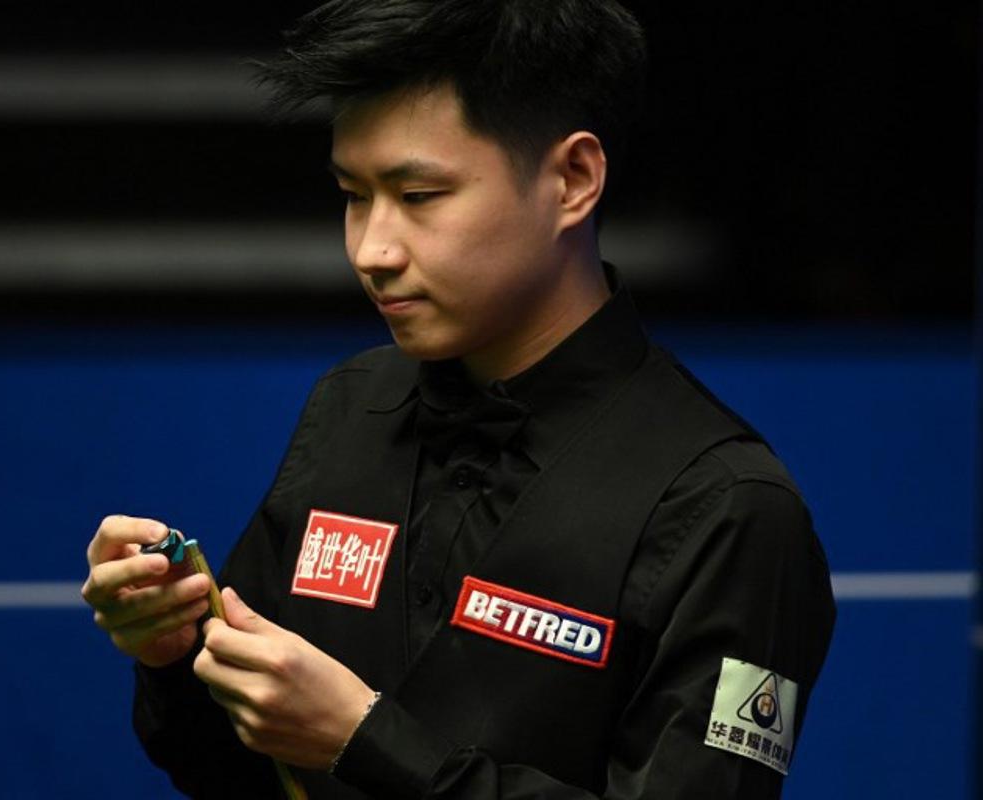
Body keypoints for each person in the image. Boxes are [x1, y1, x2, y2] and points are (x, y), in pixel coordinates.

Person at [80, 0, 836, 797]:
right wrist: (171, 656)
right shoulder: (350, 406)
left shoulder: (729, 509)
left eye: (418, 195)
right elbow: (242, 773)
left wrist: (366, 742)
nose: (372, 250)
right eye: (353, 194)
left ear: (573, 180)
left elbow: (347, 743)